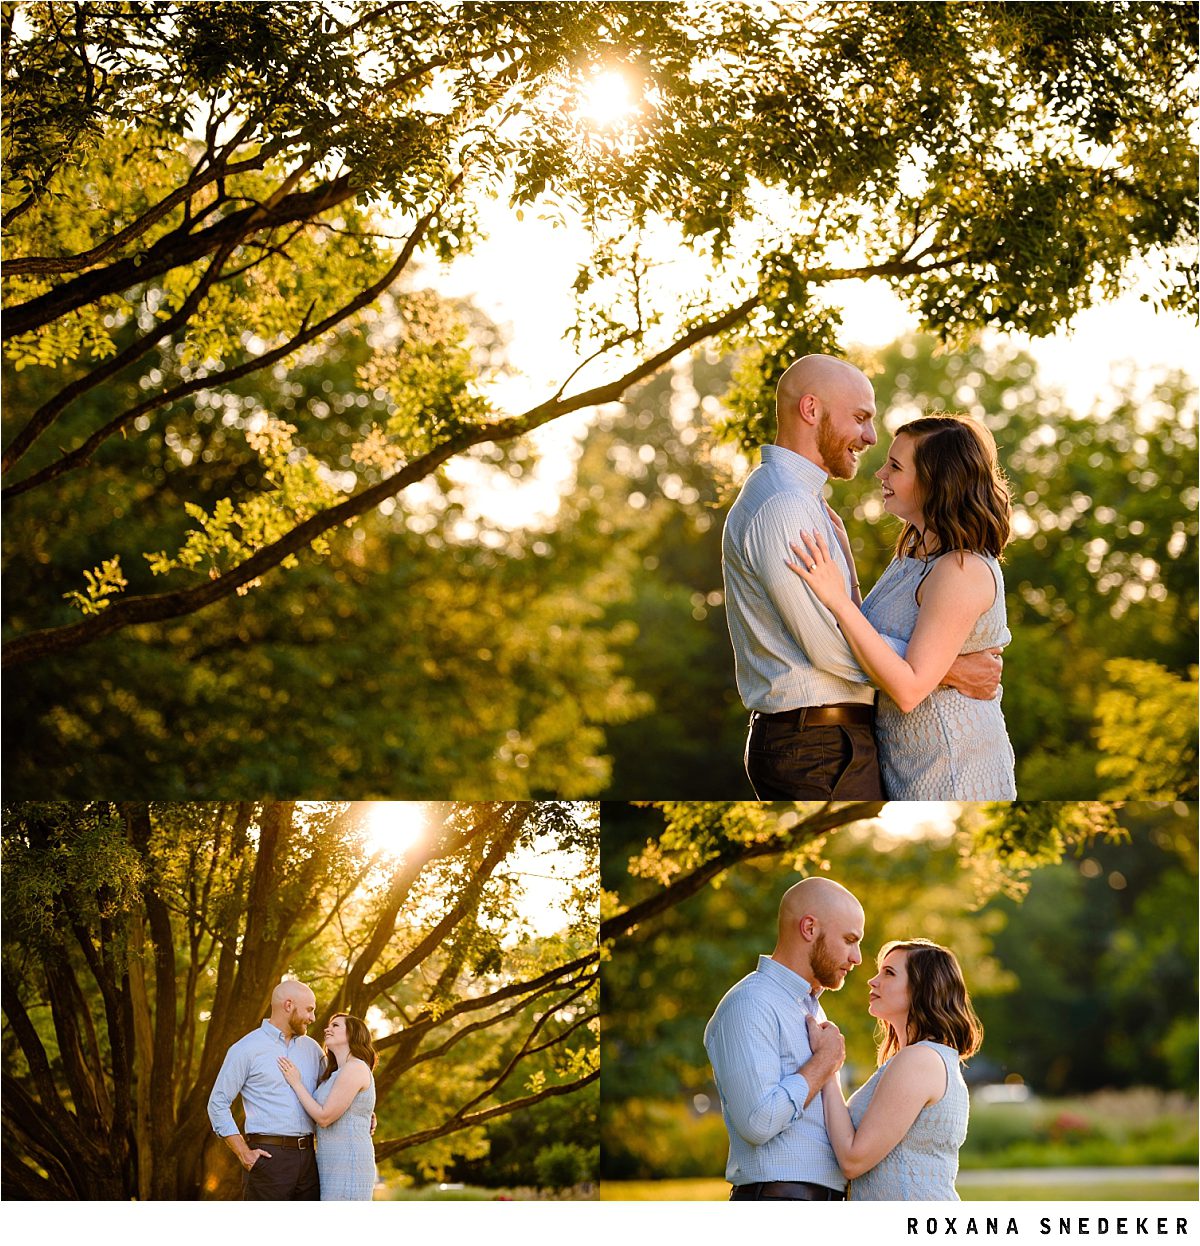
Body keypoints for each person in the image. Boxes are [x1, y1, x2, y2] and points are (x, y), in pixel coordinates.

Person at [721, 354, 1002, 799]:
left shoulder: (801, 502)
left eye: (895, 464)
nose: (869, 438)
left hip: (872, 749)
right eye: (860, 418)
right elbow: (832, 646)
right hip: (818, 745)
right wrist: (945, 670)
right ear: (811, 410)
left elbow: (850, 626)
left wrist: (848, 579)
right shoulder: (786, 506)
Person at [787, 413, 1017, 798]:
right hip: (911, 763)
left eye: (894, 466)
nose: (880, 474)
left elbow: (909, 688)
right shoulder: (915, 555)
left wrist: (837, 600)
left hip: (953, 770)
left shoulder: (961, 570)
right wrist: (844, 562)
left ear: (935, 481)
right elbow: (871, 639)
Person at [702, 877, 863, 1201]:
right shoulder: (751, 1003)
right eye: (848, 940)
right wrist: (824, 1063)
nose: (857, 957)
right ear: (808, 928)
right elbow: (758, 1122)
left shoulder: (810, 1008)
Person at [813, 938, 983, 1200]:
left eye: (889, 973)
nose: (873, 981)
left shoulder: (919, 1061)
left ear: (922, 989)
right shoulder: (923, 1058)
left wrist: (827, 1066)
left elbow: (853, 1160)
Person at [207, 980, 323, 1200]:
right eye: (309, 1009)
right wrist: (244, 1153)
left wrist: (360, 1113)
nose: (313, 1018)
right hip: (269, 1159)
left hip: (310, 1159)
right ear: (288, 1005)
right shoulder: (246, 1048)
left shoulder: (313, 1049)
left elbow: (330, 1090)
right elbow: (217, 1103)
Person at [279, 1012, 377, 1201]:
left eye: (336, 1026)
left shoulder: (355, 1067)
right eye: (329, 1025)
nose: (327, 1029)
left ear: (353, 1034)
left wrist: (296, 1082)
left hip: (350, 1163)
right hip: (329, 1162)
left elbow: (324, 1118)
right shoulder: (333, 1074)